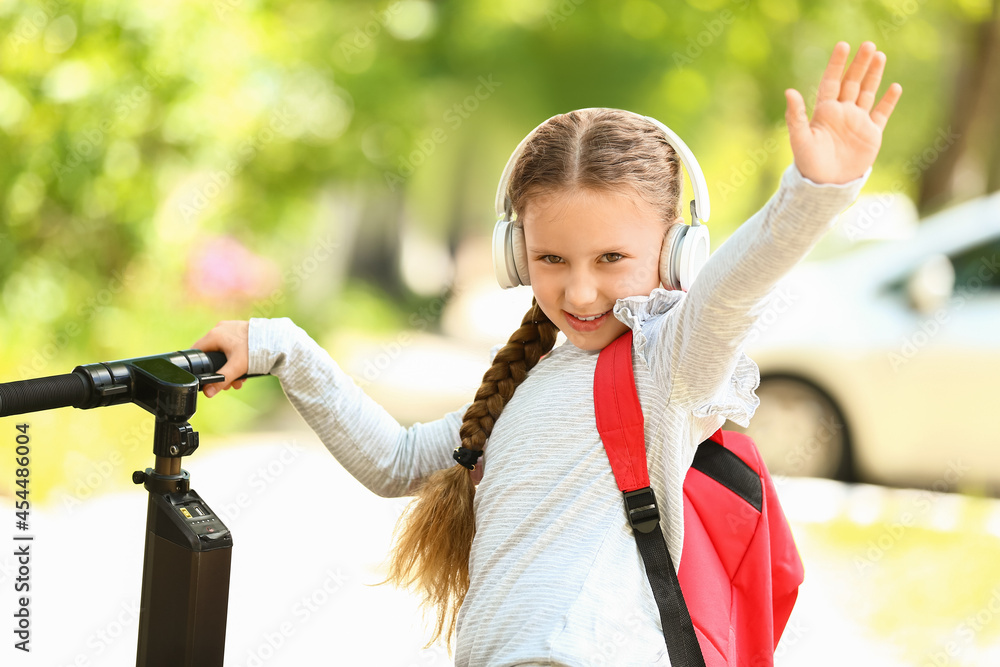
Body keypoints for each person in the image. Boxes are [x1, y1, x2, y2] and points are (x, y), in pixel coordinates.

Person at [193, 41, 901, 665]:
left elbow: (730, 293)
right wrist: (281, 346)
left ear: (678, 252)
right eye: (552, 257)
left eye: (613, 257)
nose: (581, 287)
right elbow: (397, 461)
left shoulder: (670, 365)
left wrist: (813, 193)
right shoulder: (520, 391)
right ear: (514, 253)